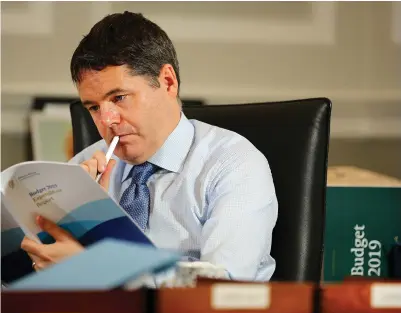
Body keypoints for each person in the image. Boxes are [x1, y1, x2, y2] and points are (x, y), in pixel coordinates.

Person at [21, 11, 278, 282]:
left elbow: (220, 289)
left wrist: (95, 267)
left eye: (119, 98)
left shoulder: (234, 165)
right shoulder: (83, 169)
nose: (107, 121)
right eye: (94, 108)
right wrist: (82, 222)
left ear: (168, 82)